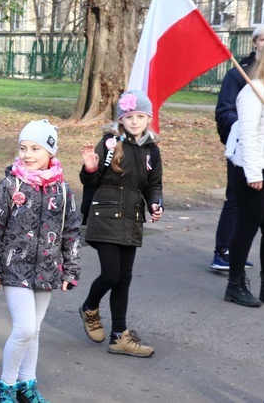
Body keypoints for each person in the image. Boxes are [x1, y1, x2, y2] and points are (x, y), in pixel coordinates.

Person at [0, 119, 81, 403]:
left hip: (48, 271)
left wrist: (70, 270)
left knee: (34, 331)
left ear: (51, 152)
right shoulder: (10, 185)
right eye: (23, 147)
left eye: (35, 148)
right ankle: (6, 386)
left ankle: (27, 384)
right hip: (15, 269)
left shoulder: (62, 190)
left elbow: (71, 231)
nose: (27, 154)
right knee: (24, 329)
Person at [78, 90, 163, 358]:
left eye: (140, 116)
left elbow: (154, 185)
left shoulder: (152, 150)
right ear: (121, 119)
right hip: (104, 216)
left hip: (132, 218)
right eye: (129, 117)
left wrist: (155, 203)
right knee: (111, 274)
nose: (135, 121)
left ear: (148, 118)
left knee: (123, 279)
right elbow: (91, 182)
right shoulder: (110, 143)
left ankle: (119, 336)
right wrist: (90, 168)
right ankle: (89, 307)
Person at [212, 24, 264, 271]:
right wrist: (245, 124)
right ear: (255, 41)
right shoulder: (239, 74)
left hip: (262, 154)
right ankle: (223, 252)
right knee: (236, 202)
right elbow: (225, 111)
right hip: (243, 152)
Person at [223, 41, 264, 307]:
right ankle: (235, 285)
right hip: (252, 169)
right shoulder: (254, 91)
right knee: (247, 226)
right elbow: (248, 136)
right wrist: (253, 174)